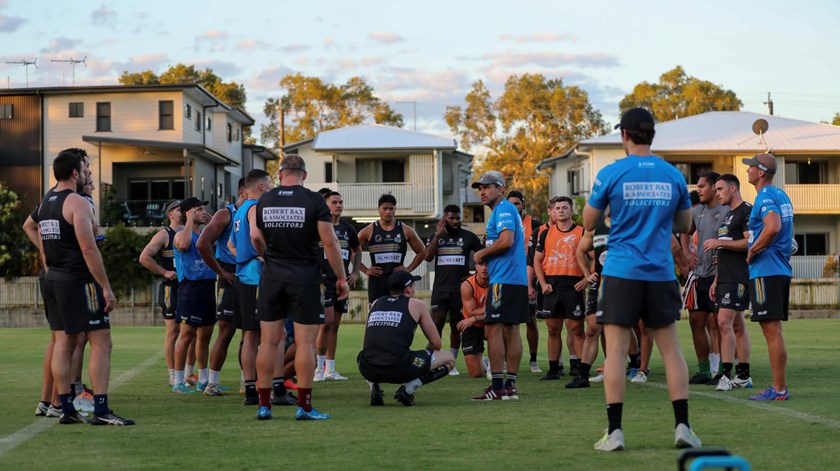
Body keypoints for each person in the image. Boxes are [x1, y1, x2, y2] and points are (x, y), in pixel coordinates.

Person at [585, 107, 699, 451]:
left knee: (617, 353)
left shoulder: (612, 172)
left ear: (624, 135)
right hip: (661, 273)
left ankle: (615, 432)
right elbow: (684, 224)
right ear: (652, 134)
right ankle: (682, 428)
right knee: (672, 350)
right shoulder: (672, 174)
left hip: (621, 272)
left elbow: (589, 219)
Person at [34, 149, 132, 425]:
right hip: (79, 281)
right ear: (75, 173)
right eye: (85, 169)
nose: (88, 173)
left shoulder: (45, 202)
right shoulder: (76, 202)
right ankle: (101, 410)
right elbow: (89, 250)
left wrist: (46, 262)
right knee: (101, 341)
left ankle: (65, 408)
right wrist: (106, 287)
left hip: (54, 279)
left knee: (63, 343)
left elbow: (40, 235)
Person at [252, 154, 349, 421]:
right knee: (306, 343)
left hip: (271, 277)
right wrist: (341, 279)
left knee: (269, 343)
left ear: (280, 174)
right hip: (305, 277)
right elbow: (329, 243)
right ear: (304, 175)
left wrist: (266, 255)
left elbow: (255, 237)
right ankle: (305, 407)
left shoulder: (265, 199)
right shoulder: (313, 200)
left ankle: (264, 405)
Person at [229, 170, 294, 405]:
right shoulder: (256, 207)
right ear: (263, 187)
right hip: (257, 278)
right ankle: (277, 389)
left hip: (242, 277)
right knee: (277, 334)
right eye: (270, 183)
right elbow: (256, 235)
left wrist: (244, 258)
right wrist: (267, 257)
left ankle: (250, 390)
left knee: (250, 336)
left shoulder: (239, 211)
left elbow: (230, 244)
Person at [358, 271, 456, 406]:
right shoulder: (417, 305)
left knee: (367, 354)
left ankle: (374, 388)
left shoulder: (376, 303)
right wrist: (427, 356)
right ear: (408, 289)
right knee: (449, 359)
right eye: (413, 285)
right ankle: (408, 390)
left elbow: (366, 343)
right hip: (399, 368)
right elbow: (436, 343)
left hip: (367, 368)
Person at [471, 170, 527, 401]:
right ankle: (509, 386)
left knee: (493, 329)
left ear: (501, 189)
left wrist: (482, 253)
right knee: (511, 329)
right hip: (516, 279)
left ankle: (496, 386)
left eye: (487, 187)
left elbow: (506, 241)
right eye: (480, 188)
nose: (482, 192)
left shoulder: (503, 209)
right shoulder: (504, 210)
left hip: (504, 280)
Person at [742, 153, 794, 401]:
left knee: (771, 332)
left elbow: (772, 227)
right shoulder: (781, 194)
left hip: (767, 270)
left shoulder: (764, 197)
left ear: (761, 172)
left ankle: (780, 389)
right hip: (780, 269)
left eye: (751, 167)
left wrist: (753, 249)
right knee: (775, 331)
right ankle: (779, 387)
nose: (747, 170)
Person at [196, 179, 246, 395]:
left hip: (251, 275)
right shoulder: (226, 214)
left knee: (252, 332)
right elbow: (202, 243)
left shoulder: (256, 212)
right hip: (230, 275)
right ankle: (212, 383)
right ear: (243, 192)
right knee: (226, 331)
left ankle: (248, 382)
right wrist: (221, 272)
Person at [422, 204, 483, 377]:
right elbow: (427, 257)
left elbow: (482, 255)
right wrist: (438, 236)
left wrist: (472, 275)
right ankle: (434, 360)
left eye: (457, 218)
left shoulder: (469, 237)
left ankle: (451, 363)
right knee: (437, 325)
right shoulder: (436, 236)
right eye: (451, 218)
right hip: (441, 290)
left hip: (460, 290)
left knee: (457, 326)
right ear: (444, 219)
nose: (455, 221)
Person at [706, 174, 753, 391]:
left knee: (723, 323)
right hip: (724, 277)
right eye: (715, 189)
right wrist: (716, 279)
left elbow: (748, 243)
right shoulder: (727, 215)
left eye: (720, 189)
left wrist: (717, 242)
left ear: (733, 188)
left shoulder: (746, 210)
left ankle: (725, 375)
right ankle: (744, 375)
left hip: (738, 276)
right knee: (737, 325)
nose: (717, 193)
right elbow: (725, 248)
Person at [534, 196, 587, 381]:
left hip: (573, 285)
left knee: (577, 329)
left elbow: (596, 257)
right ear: (553, 211)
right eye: (558, 208)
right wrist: (542, 283)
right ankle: (554, 369)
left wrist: (587, 279)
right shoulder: (545, 234)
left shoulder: (582, 232)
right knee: (552, 329)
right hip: (552, 285)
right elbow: (537, 261)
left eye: (565, 207)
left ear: (571, 211)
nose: (561, 210)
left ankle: (581, 370)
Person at [681, 172, 727, 384]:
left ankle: (722, 370)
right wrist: (687, 253)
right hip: (698, 276)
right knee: (696, 323)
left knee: (720, 323)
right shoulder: (696, 211)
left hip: (721, 275)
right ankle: (704, 371)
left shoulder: (727, 210)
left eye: (702, 186)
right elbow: (685, 232)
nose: (698, 190)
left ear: (714, 187)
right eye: (697, 186)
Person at [314, 191, 362, 382]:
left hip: (340, 282)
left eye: (341, 202)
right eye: (334, 202)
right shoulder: (317, 226)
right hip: (323, 281)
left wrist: (355, 272)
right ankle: (318, 368)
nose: (339, 205)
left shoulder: (348, 229)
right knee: (325, 323)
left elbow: (357, 250)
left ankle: (330, 370)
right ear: (326, 205)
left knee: (335, 325)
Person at [171, 197, 216, 394]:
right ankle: (178, 382)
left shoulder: (204, 234)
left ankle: (204, 380)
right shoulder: (181, 234)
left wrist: (212, 221)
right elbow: (182, 245)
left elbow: (225, 236)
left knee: (205, 336)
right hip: (191, 288)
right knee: (186, 335)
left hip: (207, 286)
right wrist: (189, 220)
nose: (202, 212)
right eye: (198, 209)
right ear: (188, 212)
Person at [567, 211, 610, 388]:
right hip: (598, 285)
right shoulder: (594, 228)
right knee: (592, 328)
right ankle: (583, 376)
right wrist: (587, 274)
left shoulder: (630, 225)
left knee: (621, 329)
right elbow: (580, 251)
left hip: (621, 284)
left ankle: (634, 367)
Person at [358, 194, 426, 304]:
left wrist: (408, 269)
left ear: (395, 209)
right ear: (378, 209)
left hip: (397, 279)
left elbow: (422, 252)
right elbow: (352, 251)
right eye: (385, 208)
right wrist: (365, 270)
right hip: (377, 279)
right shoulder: (368, 231)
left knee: (399, 310)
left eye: (391, 208)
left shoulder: (405, 230)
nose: (388, 212)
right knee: (376, 311)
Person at [508, 190, 542, 373]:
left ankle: (533, 360)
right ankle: (506, 360)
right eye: (510, 204)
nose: (514, 207)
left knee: (530, 319)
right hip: (508, 277)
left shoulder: (534, 224)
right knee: (508, 321)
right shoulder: (501, 224)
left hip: (529, 278)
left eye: (517, 204)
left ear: (523, 205)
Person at [457, 260, 491, 378]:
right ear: (476, 266)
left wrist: (475, 317)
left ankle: (495, 364)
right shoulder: (467, 285)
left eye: (487, 264)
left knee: (498, 326)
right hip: (472, 325)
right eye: (481, 264)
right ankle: (484, 362)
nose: (484, 268)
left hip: (489, 323)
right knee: (476, 374)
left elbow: (499, 313)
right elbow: (471, 312)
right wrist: (489, 308)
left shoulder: (497, 282)